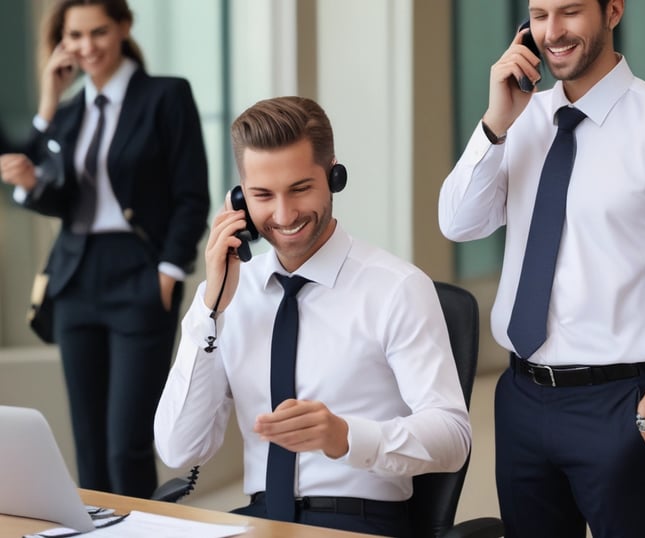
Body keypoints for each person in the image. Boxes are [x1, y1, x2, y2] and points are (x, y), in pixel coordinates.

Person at [438, 1, 645, 537]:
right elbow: (460, 223)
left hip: (620, 404)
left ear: (613, 11)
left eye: (571, 12)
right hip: (521, 399)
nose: (551, 32)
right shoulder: (522, 119)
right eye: (539, 13)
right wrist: (494, 123)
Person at [154, 96, 471, 537]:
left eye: (301, 189)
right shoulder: (230, 290)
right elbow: (178, 449)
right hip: (259, 521)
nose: (284, 216)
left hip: (360, 522)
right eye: (263, 195)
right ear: (240, 200)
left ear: (334, 176)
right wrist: (210, 309)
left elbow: (453, 437)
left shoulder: (396, 288)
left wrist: (345, 436)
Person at [0, 0, 209, 498]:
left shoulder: (166, 95)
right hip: (77, 277)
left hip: (140, 272)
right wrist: (49, 101)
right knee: (90, 445)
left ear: (123, 27)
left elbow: (191, 194)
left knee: (127, 445)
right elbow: (50, 190)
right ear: (62, 42)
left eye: (98, 32)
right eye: (75, 36)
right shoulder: (69, 112)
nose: (87, 46)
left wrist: (169, 270)